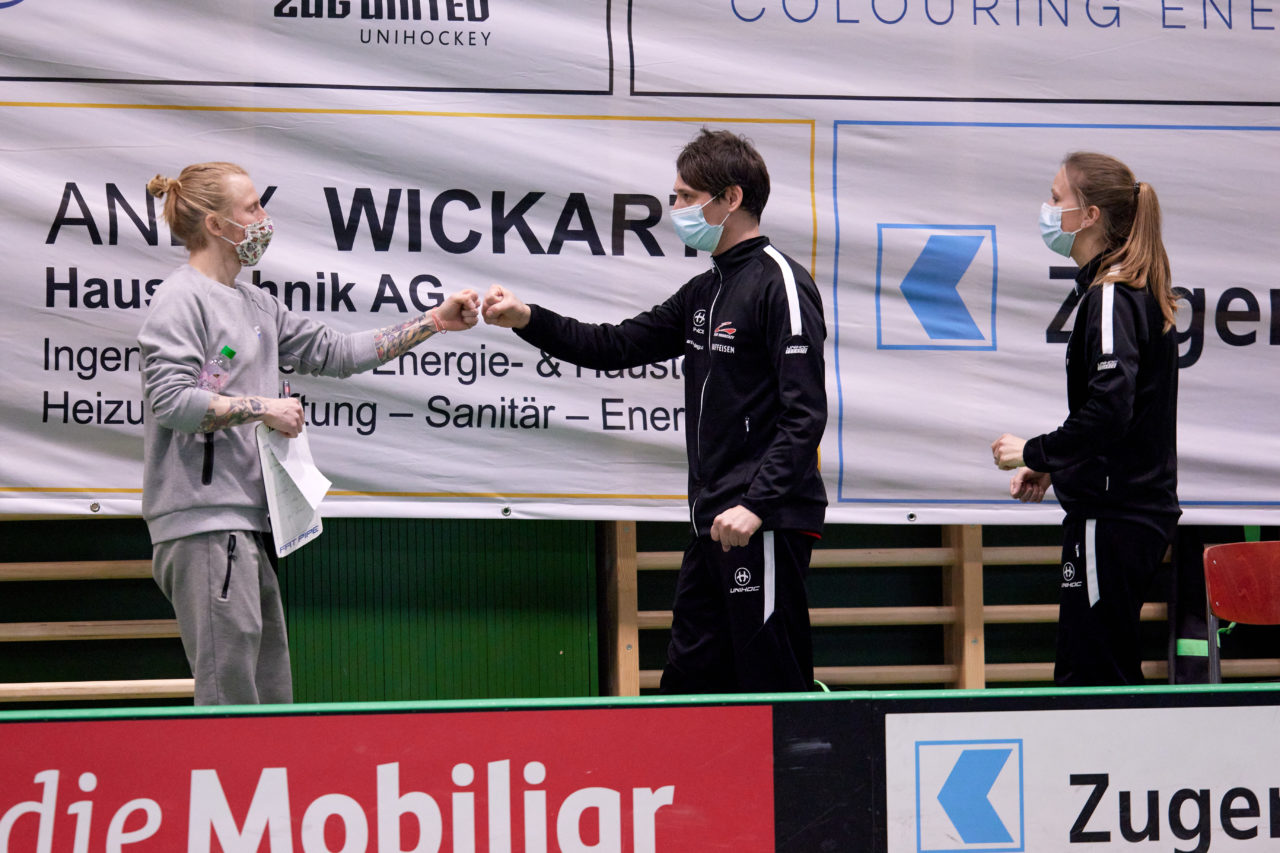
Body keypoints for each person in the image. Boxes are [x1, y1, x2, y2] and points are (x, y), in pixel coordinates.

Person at [483, 129, 828, 693]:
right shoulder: (703, 290)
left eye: (687, 197)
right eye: (676, 196)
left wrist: (755, 505)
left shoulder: (781, 283)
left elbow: (804, 415)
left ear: (732, 198)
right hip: (711, 524)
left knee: (773, 693)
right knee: (687, 688)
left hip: (763, 524)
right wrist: (528, 318)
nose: (676, 209)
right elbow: (614, 345)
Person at [139, 161, 480, 705]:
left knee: (269, 693)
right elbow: (172, 401)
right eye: (252, 207)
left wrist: (434, 321)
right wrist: (264, 409)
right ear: (216, 225)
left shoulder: (257, 303)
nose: (263, 217)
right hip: (206, 525)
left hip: (250, 523)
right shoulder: (181, 298)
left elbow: (337, 353)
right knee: (229, 699)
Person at [991, 151, 1180, 686]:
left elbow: (1110, 409)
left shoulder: (1114, 293)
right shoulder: (1119, 289)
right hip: (1121, 512)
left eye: (1056, 198)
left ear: (1090, 215)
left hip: (1116, 516)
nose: (1047, 209)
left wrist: (1035, 451)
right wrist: (1058, 467)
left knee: (1094, 679)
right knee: (1098, 669)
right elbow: (1123, 415)